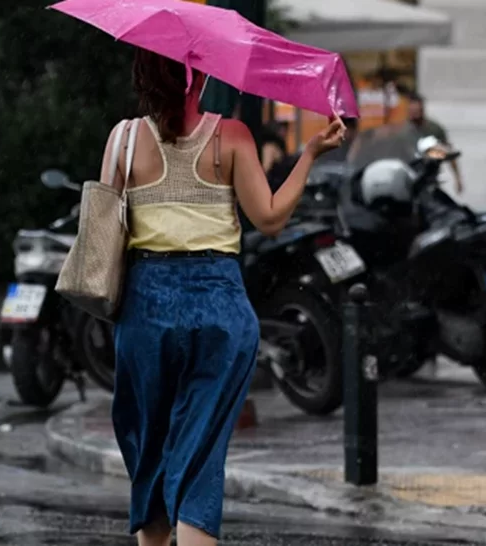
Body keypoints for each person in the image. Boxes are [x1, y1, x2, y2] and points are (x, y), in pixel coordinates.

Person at [100, 48, 345, 546]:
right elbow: (270, 219)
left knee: (149, 447)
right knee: (201, 454)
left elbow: (106, 229)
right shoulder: (230, 137)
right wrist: (310, 155)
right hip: (219, 305)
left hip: (146, 305)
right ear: (197, 79)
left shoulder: (122, 140)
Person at [407, 93, 463, 194]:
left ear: (422, 109)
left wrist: (457, 178)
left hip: (428, 179)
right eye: (412, 110)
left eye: (417, 110)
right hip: (406, 177)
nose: (414, 113)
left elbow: (448, 152)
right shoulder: (402, 129)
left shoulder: (434, 129)